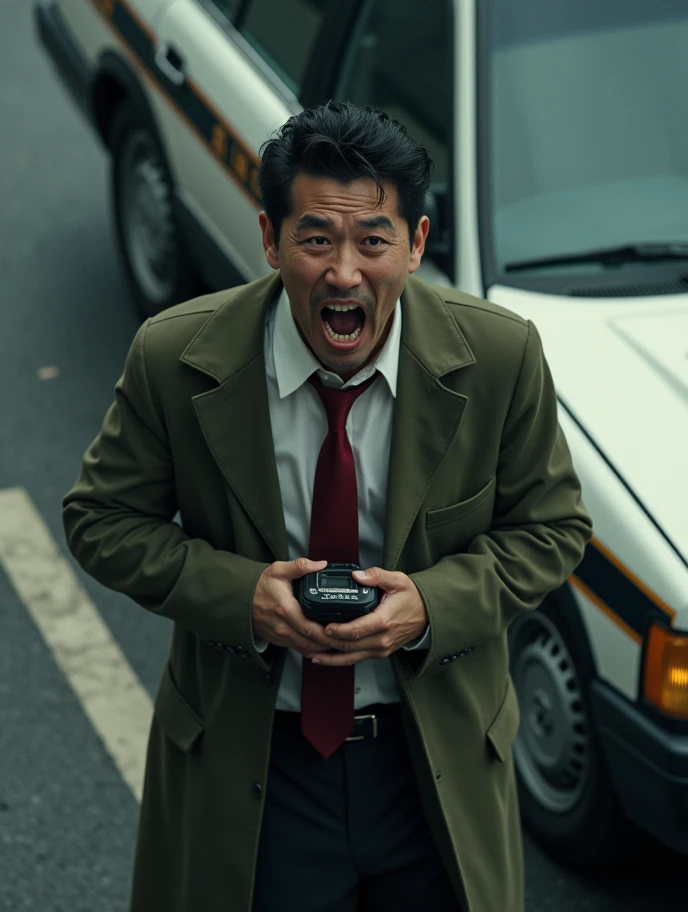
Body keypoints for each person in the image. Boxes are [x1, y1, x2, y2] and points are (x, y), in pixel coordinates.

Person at [62, 101, 592, 912]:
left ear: (415, 245)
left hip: (430, 765)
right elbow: (100, 520)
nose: (344, 272)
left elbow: (553, 528)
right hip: (260, 768)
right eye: (316, 239)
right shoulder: (175, 358)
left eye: (373, 240)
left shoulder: (500, 358)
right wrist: (244, 598)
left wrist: (430, 607)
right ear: (270, 241)